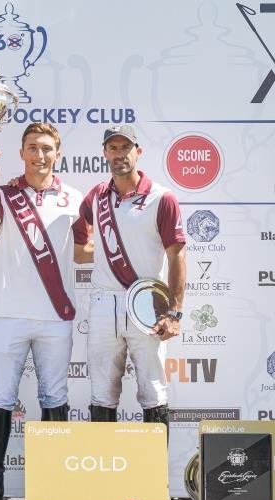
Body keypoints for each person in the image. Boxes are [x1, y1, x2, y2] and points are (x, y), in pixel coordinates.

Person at [0, 122, 87, 500]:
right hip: (10, 315)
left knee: (55, 397)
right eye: (33, 148)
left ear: (58, 154)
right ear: (21, 153)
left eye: (47, 148)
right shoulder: (4, 194)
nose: (40, 155)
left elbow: (85, 250)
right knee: (1, 397)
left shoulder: (74, 198)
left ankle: (53, 484)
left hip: (56, 317)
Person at [76, 125, 186, 433]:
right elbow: (78, 249)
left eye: (126, 147)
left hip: (147, 305)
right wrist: (100, 252)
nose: (119, 153)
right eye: (113, 148)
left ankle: (156, 467)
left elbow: (177, 257)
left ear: (138, 151)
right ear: (104, 153)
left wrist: (174, 312)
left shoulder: (162, 197)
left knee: (153, 392)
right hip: (103, 303)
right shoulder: (96, 196)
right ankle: (104, 464)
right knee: (102, 394)